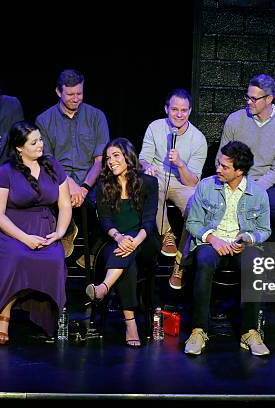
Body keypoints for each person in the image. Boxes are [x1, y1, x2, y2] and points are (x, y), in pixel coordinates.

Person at [0, 121, 71, 344]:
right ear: (19, 147)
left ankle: (45, 316)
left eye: (40, 140)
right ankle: (4, 312)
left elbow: (65, 205)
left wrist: (59, 233)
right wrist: (25, 239)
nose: (41, 145)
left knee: (55, 260)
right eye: (34, 142)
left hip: (45, 228)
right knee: (19, 258)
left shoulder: (53, 166)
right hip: (10, 231)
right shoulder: (5, 172)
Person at [184, 141, 271, 356]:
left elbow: (265, 229)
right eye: (219, 164)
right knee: (204, 261)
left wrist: (248, 237)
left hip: (241, 246)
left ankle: (249, 332)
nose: (218, 169)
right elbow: (192, 223)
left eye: (224, 167)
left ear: (239, 170)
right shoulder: (206, 186)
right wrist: (213, 239)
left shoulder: (258, 193)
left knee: (254, 265)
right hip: (212, 243)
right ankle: (198, 330)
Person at [85, 138, 160, 347]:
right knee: (128, 263)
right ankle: (131, 324)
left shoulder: (149, 183)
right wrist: (119, 237)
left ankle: (103, 288)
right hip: (115, 239)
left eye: (116, 156)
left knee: (127, 253)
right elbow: (106, 220)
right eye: (108, 158)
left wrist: (134, 242)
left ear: (128, 156)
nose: (111, 161)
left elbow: (149, 220)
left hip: (144, 240)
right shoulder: (103, 186)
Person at [35, 68, 110, 258]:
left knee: (107, 200)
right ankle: (65, 232)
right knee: (48, 196)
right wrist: (69, 183)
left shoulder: (96, 116)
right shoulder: (44, 120)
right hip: (58, 177)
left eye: (79, 93)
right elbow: (48, 160)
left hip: (90, 178)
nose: (76, 98)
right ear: (59, 92)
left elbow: (100, 160)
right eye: (70, 94)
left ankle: (94, 253)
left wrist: (83, 187)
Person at [139, 89, 207, 289]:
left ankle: (180, 263)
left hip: (183, 182)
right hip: (158, 176)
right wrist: (147, 167)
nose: (179, 114)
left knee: (197, 202)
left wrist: (180, 164)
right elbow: (143, 158)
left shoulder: (198, 139)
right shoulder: (155, 127)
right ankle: (166, 233)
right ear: (166, 109)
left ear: (190, 111)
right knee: (150, 183)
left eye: (184, 110)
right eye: (175, 109)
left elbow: (193, 182)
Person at [216, 73, 275, 244]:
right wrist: (236, 184)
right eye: (247, 97)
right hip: (233, 178)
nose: (248, 102)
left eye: (254, 98)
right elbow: (220, 158)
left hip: (264, 183)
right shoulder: (235, 119)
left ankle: (271, 264)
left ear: (269, 99)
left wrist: (254, 190)